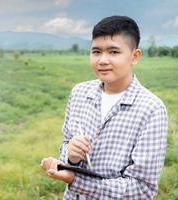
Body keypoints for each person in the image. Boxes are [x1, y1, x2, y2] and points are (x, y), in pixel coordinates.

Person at [40, 15, 168, 200]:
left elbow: (142, 189)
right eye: (96, 51)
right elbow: (66, 144)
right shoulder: (79, 93)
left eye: (113, 52)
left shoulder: (151, 109)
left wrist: (76, 180)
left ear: (135, 56)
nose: (102, 60)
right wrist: (71, 156)